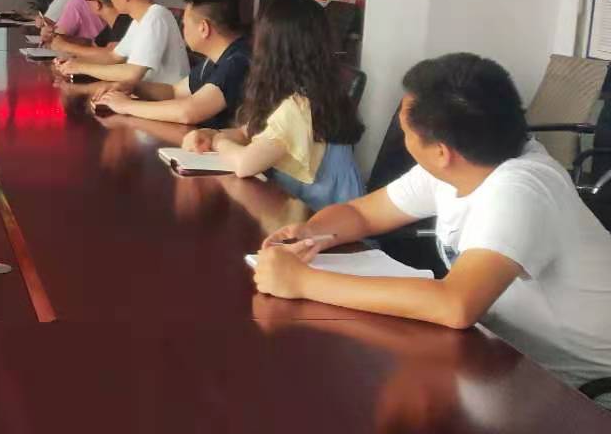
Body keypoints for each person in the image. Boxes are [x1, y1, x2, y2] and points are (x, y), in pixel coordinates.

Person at [253, 53, 611, 402]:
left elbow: (456, 304)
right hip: (510, 362)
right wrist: (310, 233)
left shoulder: (520, 189)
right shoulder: (460, 164)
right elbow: (361, 214)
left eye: (406, 131)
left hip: (586, 393)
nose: (403, 138)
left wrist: (302, 282)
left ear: (442, 151)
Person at [182, 0, 362, 209]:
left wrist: (219, 142)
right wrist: (210, 134)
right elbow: (248, 133)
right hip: (304, 209)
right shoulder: (306, 90)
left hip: (323, 219)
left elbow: (244, 164)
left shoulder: (298, 106)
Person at [92, 0, 251, 128]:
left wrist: (126, 106)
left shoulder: (238, 61)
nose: (183, 30)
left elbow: (189, 112)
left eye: (185, 24)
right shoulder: (215, 59)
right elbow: (175, 91)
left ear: (203, 28)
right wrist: (132, 86)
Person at [52, 0, 189, 88]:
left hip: (164, 99)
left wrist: (80, 67)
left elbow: (132, 73)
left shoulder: (156, 17)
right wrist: (74, 62)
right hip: (144, 95)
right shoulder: (140, 20)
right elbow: (113, 57)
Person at [48, 0, 129, 65]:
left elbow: (111, 55)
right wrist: (61, 38)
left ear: (96, 4)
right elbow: (92, 45)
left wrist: (66, 46)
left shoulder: (124, 21)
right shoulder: (112, 24)